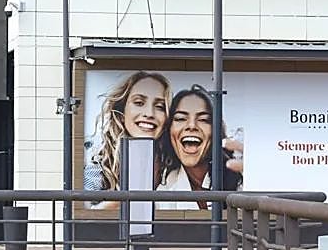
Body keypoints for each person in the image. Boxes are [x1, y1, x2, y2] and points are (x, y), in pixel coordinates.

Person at [83, 71, 172, 207]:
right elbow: (85, 212)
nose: (149, 114)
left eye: (159, 107)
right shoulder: (98, 163)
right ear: (122, 111)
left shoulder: (173, 163)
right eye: (139, 102)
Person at [156, 85, 243, 210]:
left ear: (216, 131)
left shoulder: (239, 174)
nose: (191, 126)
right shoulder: (165, 189)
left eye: (203, 119)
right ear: (169, 130)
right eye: (180, 118)